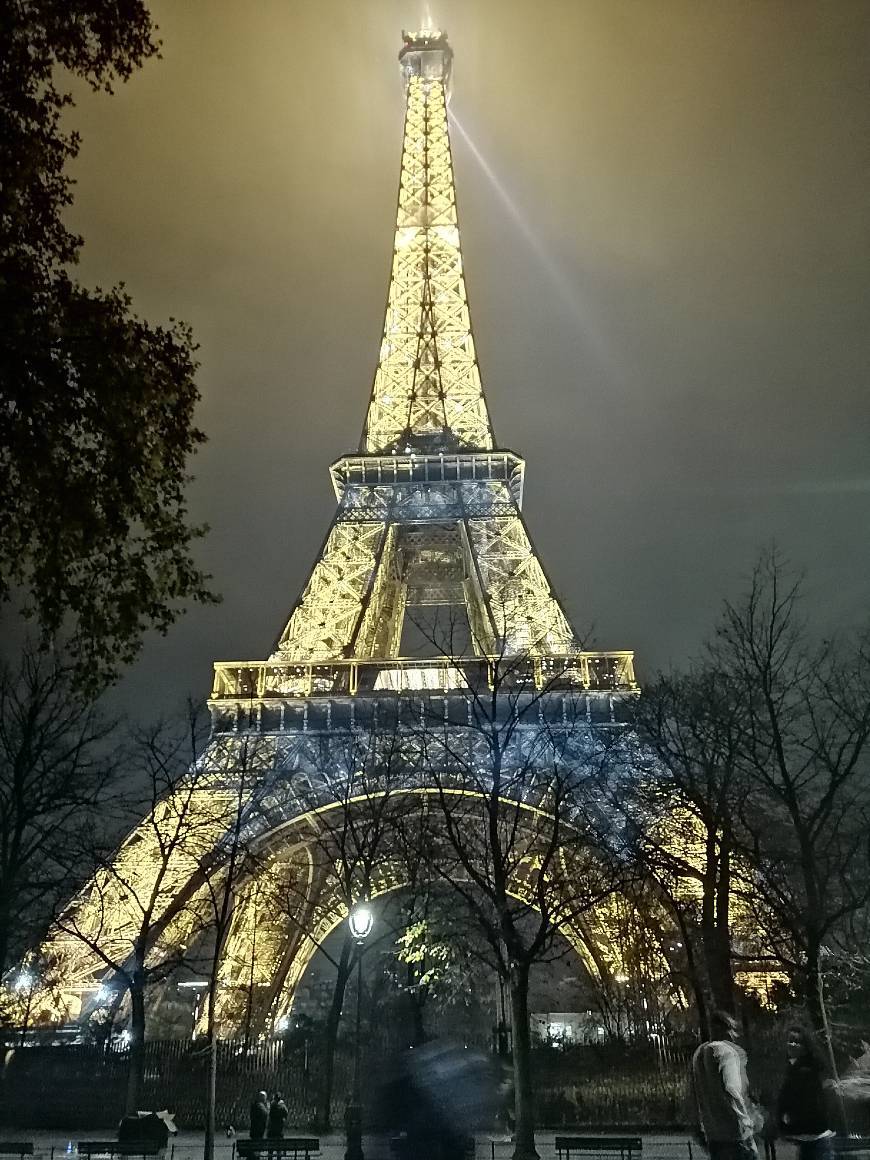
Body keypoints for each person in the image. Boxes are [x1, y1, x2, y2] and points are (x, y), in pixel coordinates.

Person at [692, 1010, 761, 1160]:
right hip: (734, 1134)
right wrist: (746, 1122)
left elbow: (695, 1093)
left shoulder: (699, 1054)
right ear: (723, 1029)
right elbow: (733, 1090)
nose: (734, 1035)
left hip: (713, 1134)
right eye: (731, 1029)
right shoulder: (726, 1052)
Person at [777, 1025, 835, 1160]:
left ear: (805, 1047)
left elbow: (797, 1100)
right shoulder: (794, 1068)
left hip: (813, 1134)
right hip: (807, 1136)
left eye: (797, 1042)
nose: (792, 1044)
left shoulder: (805, 1072)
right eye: (790, 1040)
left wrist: (786, 1124)